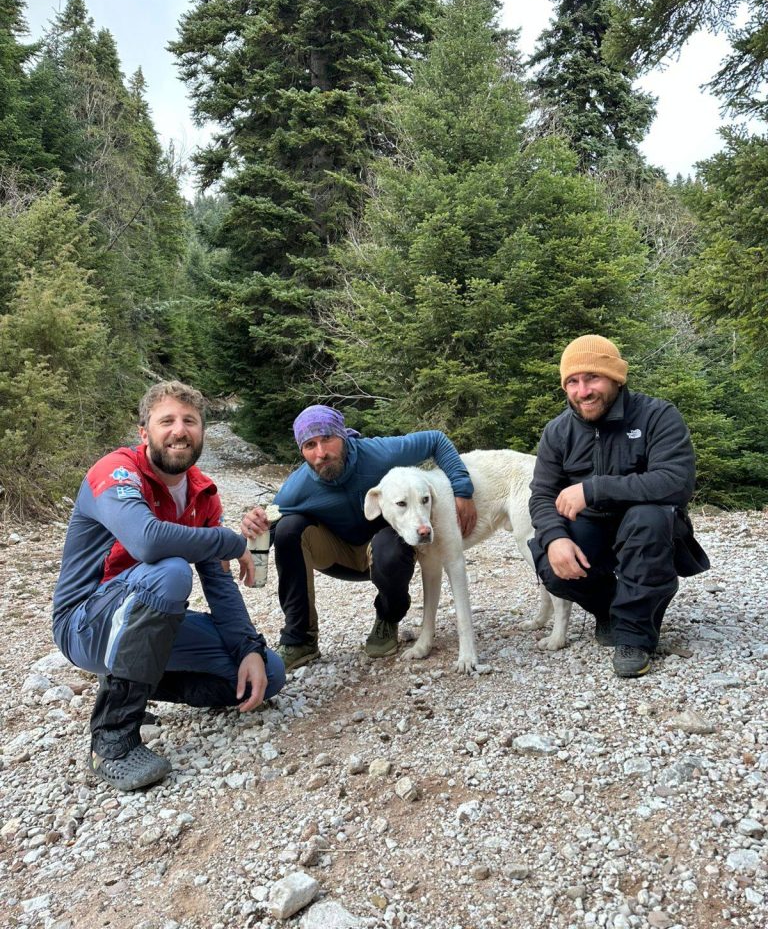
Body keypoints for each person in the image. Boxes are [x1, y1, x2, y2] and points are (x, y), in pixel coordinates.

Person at [52, 381, 285, 791]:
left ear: (201, 433)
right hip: (85, 623)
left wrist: (247, 647)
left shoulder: (202, 492)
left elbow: (218, 581)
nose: (179, 430)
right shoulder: (114, 471)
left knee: (269, 672)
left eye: (190, 421)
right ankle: (112, 741)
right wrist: (232, 541)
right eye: (167, 421)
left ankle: (133, 684)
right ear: (144, 433)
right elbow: (147, 540)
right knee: (172, 571)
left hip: (140, 621)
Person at [241, 405, 477, 672]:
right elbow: (267, 527)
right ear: (302, 451)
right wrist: (246, 539)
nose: (321, 453)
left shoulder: (376, 453)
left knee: (388, 544)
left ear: (343, 436)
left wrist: (462, 490)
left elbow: (435, 439)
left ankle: (387, 619)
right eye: (310, 445)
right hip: (338, 557)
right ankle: (300, 639)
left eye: (328, 439)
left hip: (384, 552)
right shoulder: (298, 486)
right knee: (288, 528)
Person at [528, 335, 709, 679]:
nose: (583, 391)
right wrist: (553, 538)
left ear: (616, 377)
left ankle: (635, 637)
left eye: (592, 378)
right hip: (593, 533)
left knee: (648, 518)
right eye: (573, 382)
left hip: (648, 532)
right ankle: (611, 610)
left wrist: (595, 489)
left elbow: (675, 482)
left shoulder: (657, 416)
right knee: (549, 559)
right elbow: (541, 495)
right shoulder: (558, 432)